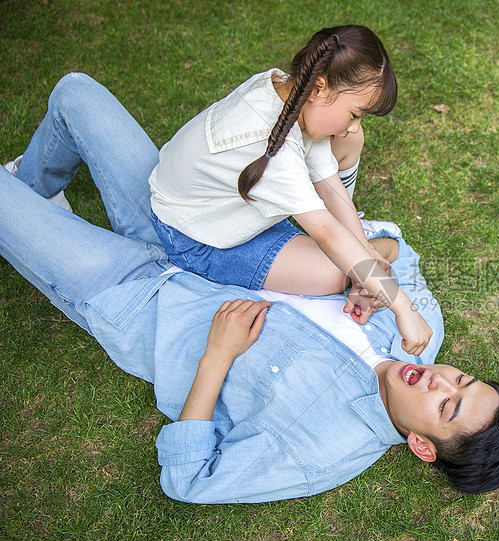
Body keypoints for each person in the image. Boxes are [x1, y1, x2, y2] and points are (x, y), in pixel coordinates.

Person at [0, 72, 499, 503]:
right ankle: (33, 195)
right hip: (195, 229)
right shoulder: (424, 327)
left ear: (421, 446)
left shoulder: (323, 450)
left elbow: (189, 480)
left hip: (135, 295)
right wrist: (370, 270)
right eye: (461, 378)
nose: (439, 380)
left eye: (446, 407)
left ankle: (29, 218)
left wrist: (217, 356)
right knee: (75, 93)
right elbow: (395, 246)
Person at [148, 25, 433, 357]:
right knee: (336, 266)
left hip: (220, 202)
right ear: (320, 89)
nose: (355, 125)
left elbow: (330, 187)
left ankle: (360, 258)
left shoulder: (287, 90)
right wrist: (403, 307)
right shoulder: (271, 151)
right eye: (355, 114)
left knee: (350, 251)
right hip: (195, 237)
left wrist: (363, 264)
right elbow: (327, 232)